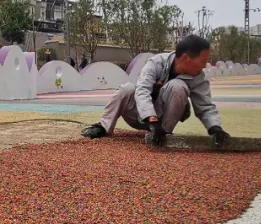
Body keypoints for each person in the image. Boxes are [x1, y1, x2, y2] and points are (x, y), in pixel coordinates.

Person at [81, 34, 231, 147]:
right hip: (139, 114)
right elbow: (142, 91)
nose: (204, 66)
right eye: (203, 61)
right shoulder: (156, 63)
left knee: (179, 86)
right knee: (127, 89)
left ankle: (164, 134)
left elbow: (204, 105)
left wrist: (215, 127)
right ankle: (103, 127)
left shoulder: (198, 76)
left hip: (165, 118)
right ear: (186, 58)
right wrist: (151, 119)